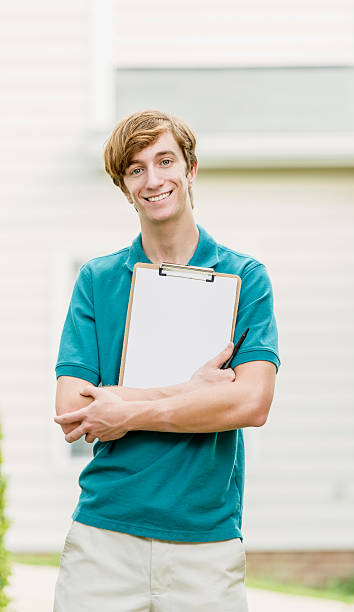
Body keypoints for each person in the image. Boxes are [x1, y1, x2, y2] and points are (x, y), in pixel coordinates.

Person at [53, 109, 280, 612]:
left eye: (164, 161)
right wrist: (192, 393)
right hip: (104, 539)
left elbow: (253, 403)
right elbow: (73, 410)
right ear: (125, 186)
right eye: (136, 169)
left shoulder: (246, 279)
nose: (153, 180)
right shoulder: (97, 280)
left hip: (206, 544)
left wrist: (125, 409)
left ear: (190, 169)